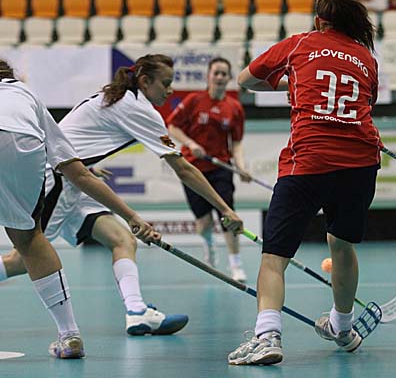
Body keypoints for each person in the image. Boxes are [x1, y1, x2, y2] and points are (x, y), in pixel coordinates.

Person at [0, 54, 244, 337]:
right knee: (22, 260)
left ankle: (136, 311)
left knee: (122, 240)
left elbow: (72, 137)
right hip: (58, 180)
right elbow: (184, 169)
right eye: (165, 83)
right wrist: (225, 209)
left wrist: (88, 166)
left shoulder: (116, 97)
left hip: (77, 179)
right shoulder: (137, 107)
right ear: (145, 81)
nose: (170, 90)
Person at [227, 0, 381, 365]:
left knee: (274, 257)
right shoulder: (366, 58)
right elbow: (365, 102)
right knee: (341, 245)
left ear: (318, 20)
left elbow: (245, 79)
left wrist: (290, 83)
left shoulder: (300, 43)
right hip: (361, 164)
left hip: (308, 162)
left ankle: (267, 336)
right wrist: (303, 84)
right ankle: (342, 328)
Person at [0, 59, 158, 358]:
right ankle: (69, 335)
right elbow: (79, 173)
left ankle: (130, 310)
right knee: (30, 240)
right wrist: (132, 216)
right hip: (25, 144)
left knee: (26, 251)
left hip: (47, 170)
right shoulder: (25, 94)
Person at [167, 57, 250, 282]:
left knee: (228, 214)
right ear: (208, 76)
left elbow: (237, 143)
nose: (220, 77)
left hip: (220, 168)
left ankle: (235, 263)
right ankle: (209, 243)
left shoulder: (234, 108)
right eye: (216, 73)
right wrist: (191, 144)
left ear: (229, 78)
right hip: (192, 169)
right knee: (203, 223)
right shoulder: (194, 100)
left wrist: (241, 167)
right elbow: (172, 126)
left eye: (224, 74)